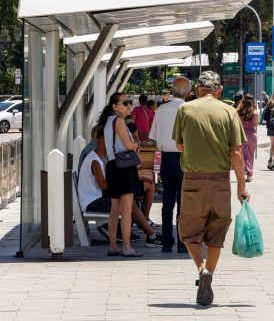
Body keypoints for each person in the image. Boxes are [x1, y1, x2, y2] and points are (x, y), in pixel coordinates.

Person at [173, 71, 248, 307]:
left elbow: (179, 144)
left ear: (196, 91)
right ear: (219, 91)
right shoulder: (229, 111)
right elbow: (236, 152)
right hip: (221, 183)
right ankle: (210, 276)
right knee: (216, 236)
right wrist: (241, 187)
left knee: (188, 233)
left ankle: (201, 268)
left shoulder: (185, 110)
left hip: (193, 181)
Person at [77, 125, 162, 247]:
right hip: (93, 202)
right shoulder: (94, 160)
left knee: (128, 198)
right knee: (128, 201)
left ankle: (150, 234)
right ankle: (150, 234)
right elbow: (104, 186)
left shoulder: (98, 158)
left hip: (96, 199)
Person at [149, 76, 190, 253]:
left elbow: (154, 137)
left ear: (172, 91)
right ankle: (182, 242)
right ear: (188, 92)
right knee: (184, 203)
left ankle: (167, 241)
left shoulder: (161, 110)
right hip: (184, 158)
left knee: (167, 201)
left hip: (166, 158)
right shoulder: (189, 110)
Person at [101, 93, 143, 257]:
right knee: (126, 210)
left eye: (129, 102)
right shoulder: (119, 121)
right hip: (124, 167)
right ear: (115, 106)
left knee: (114, 209)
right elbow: (128, 144)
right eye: (125, 103)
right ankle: (127, 247)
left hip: (112, 166)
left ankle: (113, 246)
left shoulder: (107, 121)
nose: (128, 106)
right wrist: (137, 144)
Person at [237, 94, 258, 182]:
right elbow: (256, 125)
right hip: (252, 135)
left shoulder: (238, 112)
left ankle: (245, 171)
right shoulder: (255, 113)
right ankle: (250, 174)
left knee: (243, 155)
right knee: (251, 154)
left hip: (242, 134)